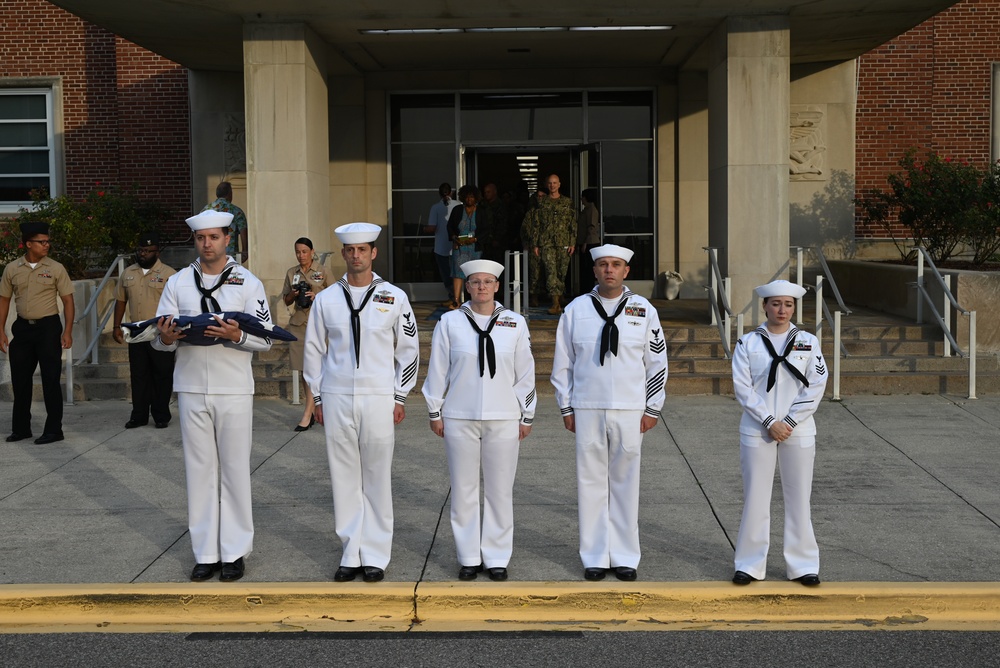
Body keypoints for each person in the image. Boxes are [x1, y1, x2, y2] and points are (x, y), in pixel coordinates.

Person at [152, 209, 273, 583]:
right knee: (199, 471)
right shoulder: (178, 283)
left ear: (227, 239)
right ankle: (205, 552)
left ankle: (234, 551)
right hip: (190, 386)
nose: (207, 244)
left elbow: (267, 337)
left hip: (233, 385)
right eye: (201, 238)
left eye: (214, 237)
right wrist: (167, 337)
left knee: (234, 470)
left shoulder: (247, 281)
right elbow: (158, 336)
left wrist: (236, 336)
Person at [303, 222, 420, 584]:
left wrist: (400, 395)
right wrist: (318, 397)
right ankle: (351, 551)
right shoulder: (326, 299)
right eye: (350, 250)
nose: (356, 256)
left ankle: (376, 555)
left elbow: (409, 350)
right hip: (336, 397)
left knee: (376, 476)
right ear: (343, 254)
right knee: (344, 477)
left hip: (379, 396)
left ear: (373, 253)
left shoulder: (394, 297)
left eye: (363, 249)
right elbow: (314, 351)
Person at [550, 243, 667, 582]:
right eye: (603, 265)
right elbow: (563, 363)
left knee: (626, 482)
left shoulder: (643, 310)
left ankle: (626, 555)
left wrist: (652, 406)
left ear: (626, 271)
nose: (609, 270)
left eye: (616, 265)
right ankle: (595, 556)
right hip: (587, 407)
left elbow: (656, 361)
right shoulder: (576, 310)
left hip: (631, 409)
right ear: (595, 271)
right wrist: (566, 405)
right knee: (590, 483)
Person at [422, 259, 536, 582]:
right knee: (463, 489)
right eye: (475, 282)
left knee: (500, 490)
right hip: (459, 415)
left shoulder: (514, 323)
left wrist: (526, 413)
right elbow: (438, 369)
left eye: (488, 282)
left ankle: (497, 556)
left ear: (498, 286)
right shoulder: (450, 322)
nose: (482, 287)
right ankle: (469, 556)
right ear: (467, 286)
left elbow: (525, 373)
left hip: (504, 417)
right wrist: (435, 409)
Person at [731, 279, 828, 587]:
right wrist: (770, 420)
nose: (782, 310)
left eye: (788, 304)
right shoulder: (748, 343)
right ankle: (749, 564)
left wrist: (789, 420)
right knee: (756, 499)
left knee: (799, 498)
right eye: (775, 304)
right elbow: (743, 388)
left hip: (797, 431)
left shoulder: (809, 342)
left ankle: (803, 565)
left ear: (794, 307)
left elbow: (816, 385)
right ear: (764, 306)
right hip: (758, 430)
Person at [0, 222, 74, 444]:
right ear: (28, 244)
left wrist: (68, 330)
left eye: (48, 241)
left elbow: (68, 301)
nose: (46, 245)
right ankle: (21, 429)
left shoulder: (56, 268)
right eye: (41, 242)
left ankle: (54, 430)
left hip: (48, 328)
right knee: (20, 380)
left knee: (51, 379)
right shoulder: (12, 269)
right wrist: (1, 331)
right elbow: (3, 300)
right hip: (22, 329)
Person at [112, 232, 176, 429]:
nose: (143, 254)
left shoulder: (170, 274)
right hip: (137, 331)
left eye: (148, 251)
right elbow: (121, 301)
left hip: (160, 331)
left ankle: (161, 415)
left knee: (162, 374)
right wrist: (116, 326)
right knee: (139, 375)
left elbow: (177, 304)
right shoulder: (128, 272)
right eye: (141, 250)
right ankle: (138, 415)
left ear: (157, 252)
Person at [280, 237, 333, 431]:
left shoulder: (323, 270)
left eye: (304, 251)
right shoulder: (291, 273)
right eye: (297, 252)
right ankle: (310, 410)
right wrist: (294, 295)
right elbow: (285, 300)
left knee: (320, 368)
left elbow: (336, 293)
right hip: (299, 324)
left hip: (319, 323)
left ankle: (309, 412)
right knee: (304, 370)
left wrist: (317, 296)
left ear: (312, 251)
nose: (301, 255)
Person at [523, 174, 576, 315]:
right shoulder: (542, 203)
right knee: (551, 272)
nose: (552, 185)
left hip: (563, 242)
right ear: (547, 185)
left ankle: (558, 298)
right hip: (546, 243)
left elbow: (572, 223)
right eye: (550, 183)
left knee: (561, 273)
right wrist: (535, 244)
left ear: (559, 184)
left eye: (555, 183)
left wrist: (572, 242)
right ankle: (555, 304)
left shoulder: (567, 202)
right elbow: (537, 225)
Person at [446, 185, 482, 310]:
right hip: (460, 247)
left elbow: (486, 229)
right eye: (467, 196)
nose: (469, 199)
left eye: (472, 196)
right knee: (457, 273)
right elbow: (449, 226)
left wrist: (476, 239)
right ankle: (456, 301)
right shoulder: (457, 210)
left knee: (475, 274)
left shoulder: (481, 211)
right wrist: (454, 237)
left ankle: (475, 300)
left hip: (475, 248)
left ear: (476, 198)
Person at [424, 183, 460, 308]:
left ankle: (454, 298)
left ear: (439, 193)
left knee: (447, 275)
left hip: (441, 247)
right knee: (458, 274)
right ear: (451, 192)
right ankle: (459, 298)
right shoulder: (459, 205)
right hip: (458, 245)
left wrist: (424, 229)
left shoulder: (436, 207)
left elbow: (432, 227)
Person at [203, 181, 248, 263]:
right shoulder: (236, 211)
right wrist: (245, 251)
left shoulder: (206, 210)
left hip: (211, 253)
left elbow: (195, 230)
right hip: (231, 256)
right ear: (229, 194)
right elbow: (243, 231)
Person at [576, 188, 601, 296]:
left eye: (582, 197)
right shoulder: (586, 209)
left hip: (590, 243)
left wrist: (585, 243)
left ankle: (589, 291)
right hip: (584, 242)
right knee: (585, 269)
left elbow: (591, 227)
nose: (581, 199)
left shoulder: (591, 209)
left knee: (588, 269)